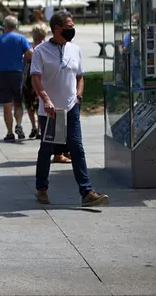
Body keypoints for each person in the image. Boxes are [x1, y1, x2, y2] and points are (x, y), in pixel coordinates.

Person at [31, 11, 109, 207]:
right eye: (69, 27)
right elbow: (35, 79)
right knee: (47, 149)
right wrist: (46, 100)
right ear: (57, 29)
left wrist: (78, 97)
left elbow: (80, 76)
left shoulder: (75, 49)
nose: (73, 30)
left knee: (77, 148)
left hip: (71, 108)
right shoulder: (40, 51)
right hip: (50, 112)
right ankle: (42, 188)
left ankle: (87, 192)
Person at [23, 23, 71, 162]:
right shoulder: (44, 48)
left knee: (35, 108)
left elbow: (25, 64)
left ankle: (36, 128)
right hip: (45, 85)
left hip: (32, 84)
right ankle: (58, 151)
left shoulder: (31, 49)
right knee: (54, 120)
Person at [0, 15, 33, 142]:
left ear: (4, 26)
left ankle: (9, 132)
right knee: (18, 102)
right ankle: (18, 124)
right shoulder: (21, 38)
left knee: (7, 105)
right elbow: (30, 54)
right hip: (17, 74)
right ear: (16, 26)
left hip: (2, 74)